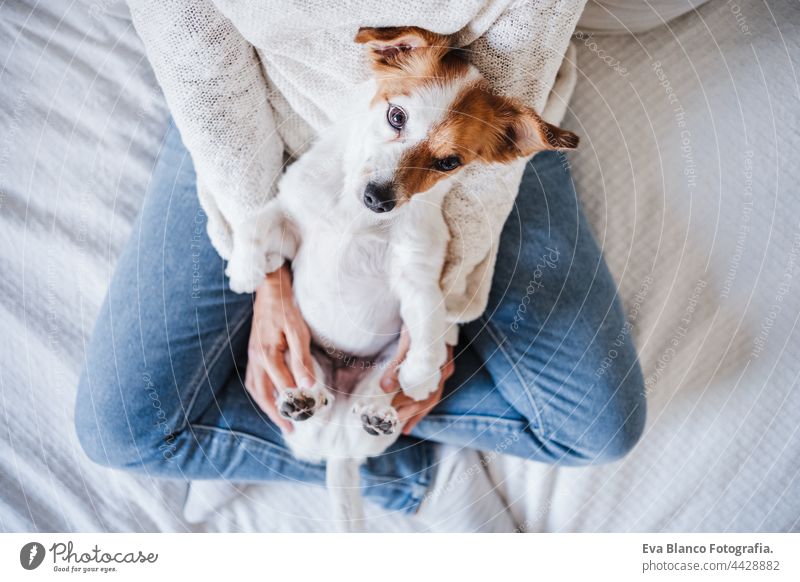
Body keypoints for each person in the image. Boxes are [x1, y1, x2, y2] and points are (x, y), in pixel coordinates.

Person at [76, 1, 645, 517]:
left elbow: (510, 75)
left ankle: (367, 432)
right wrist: (269, 266)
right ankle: (389, 460)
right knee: (121, 433)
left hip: (476, 124)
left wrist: (433, 312)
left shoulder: (473, 138)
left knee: (598, 429)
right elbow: (193, 46)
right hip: (244, 110)